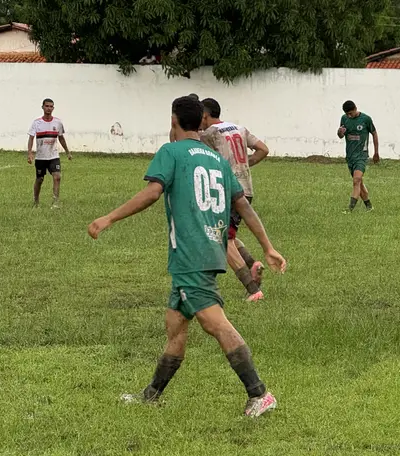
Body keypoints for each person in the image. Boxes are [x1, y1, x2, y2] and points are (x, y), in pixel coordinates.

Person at [88, 96, 286, 417]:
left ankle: (259, 393)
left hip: (191, 255)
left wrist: (108, 218)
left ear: (174, 120)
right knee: (176, 326)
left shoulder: (171, 152)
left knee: (216, 324)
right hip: (208, 249)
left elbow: (153, 192)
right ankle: (151, 395)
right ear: (201, 122)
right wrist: (267, 246)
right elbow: (243, 205)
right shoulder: (216, 158)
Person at [199, 98, 270, 300]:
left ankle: (253, 290)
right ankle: (252, 264)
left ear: (204, 115)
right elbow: (263, 150)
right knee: (225, 234)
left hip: (227, 191)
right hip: (245, 188)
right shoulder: (240, 128)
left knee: (222, 240)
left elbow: (183, 142)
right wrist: (245, 166)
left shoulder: (209, 134)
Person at [27, 98, 71, 208]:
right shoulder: (37, 123)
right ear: (42, 107)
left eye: (51, 106)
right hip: (41, 157)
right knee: (40, 179)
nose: (49, 108)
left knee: (57, 176)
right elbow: (31, 138)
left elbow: (61, 138)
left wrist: (67, 152)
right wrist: (30, 153)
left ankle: (55, 202)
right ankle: (36, 201)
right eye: (47, 106)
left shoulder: (58, 122)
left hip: (53, 156)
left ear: (53, 108)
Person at [337, 100, 379, 213]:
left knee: (356, 180)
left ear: (356, 108)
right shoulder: (344, 119)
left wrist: (376, 152)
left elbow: (374, 133)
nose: (349, 116)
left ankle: (349, 209)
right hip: (350, 156)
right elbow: (341, 135)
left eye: (351, 113)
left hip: (362, 155)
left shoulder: (365, 119)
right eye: (347, 114)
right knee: (359, 183)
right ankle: (369, 207)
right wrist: (340, 132)